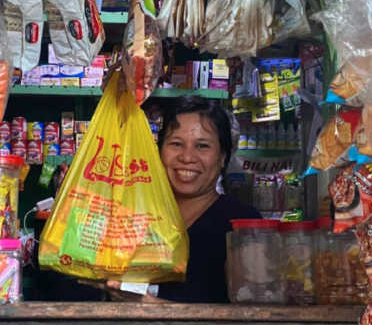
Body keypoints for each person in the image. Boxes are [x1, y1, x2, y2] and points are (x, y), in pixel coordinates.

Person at [106, 95, 261, 303]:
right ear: (159, 150)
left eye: (202, 146)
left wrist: (148, 305)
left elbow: (254, 318)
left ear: (223, 156)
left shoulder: (242, 223)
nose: (187, 157)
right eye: (176, 144)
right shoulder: (134, 215)